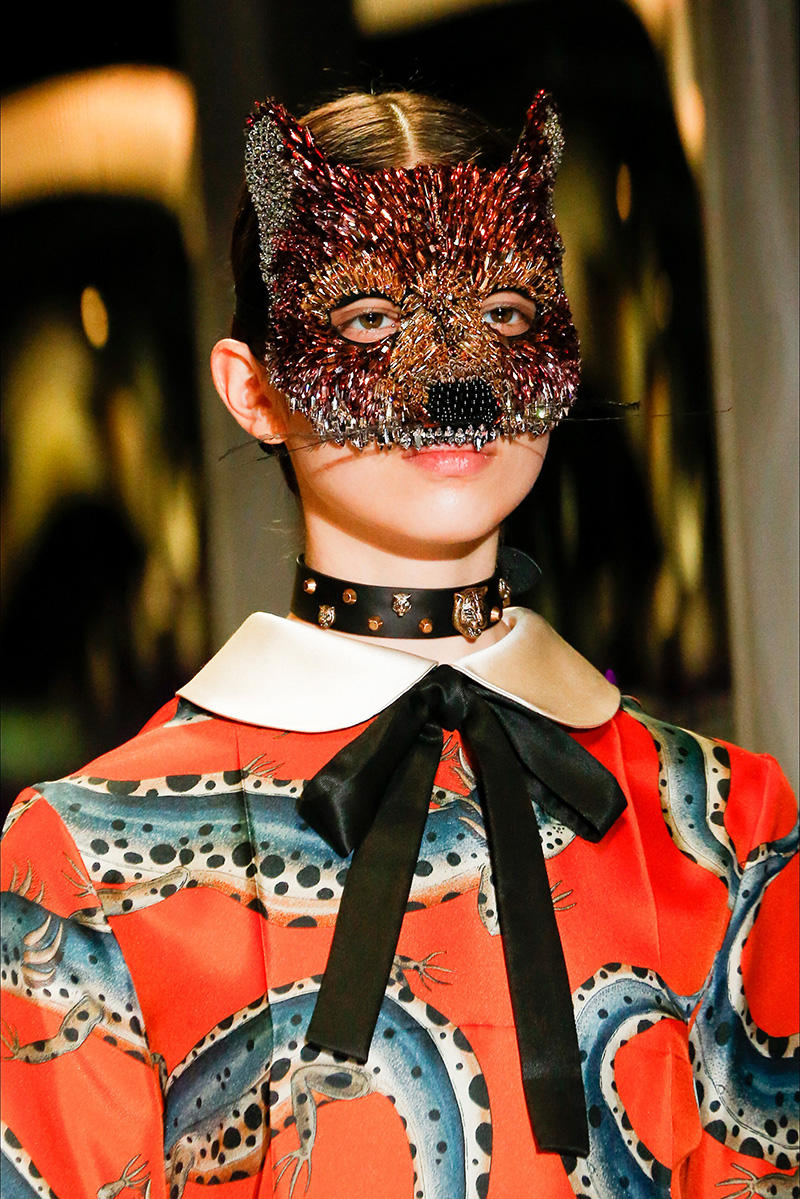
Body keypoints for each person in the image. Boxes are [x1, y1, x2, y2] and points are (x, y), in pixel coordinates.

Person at [1, 90, 797, 1199]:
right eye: (371, 318)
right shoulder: (80, 860)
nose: (457, 375)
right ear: (252, 389)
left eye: (507, 311)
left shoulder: (725, 823)